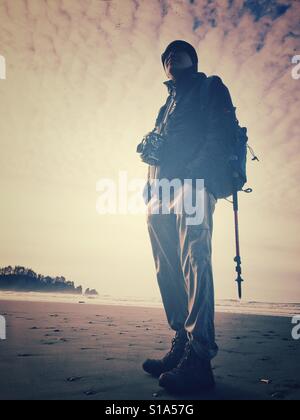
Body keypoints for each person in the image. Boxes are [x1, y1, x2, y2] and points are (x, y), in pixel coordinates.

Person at [141, 40, 235, 394]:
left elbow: (220, 133)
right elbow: (158, 152)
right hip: (160, 192)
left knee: (195, 259)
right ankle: (181, 341)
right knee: (167, 266)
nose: (170, 56)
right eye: (165, 55)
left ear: (193, 60)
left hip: (195, 183)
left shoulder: (210, 86)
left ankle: (199, 359)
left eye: (178, 52)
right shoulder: (165, 105)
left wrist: (196, 175)